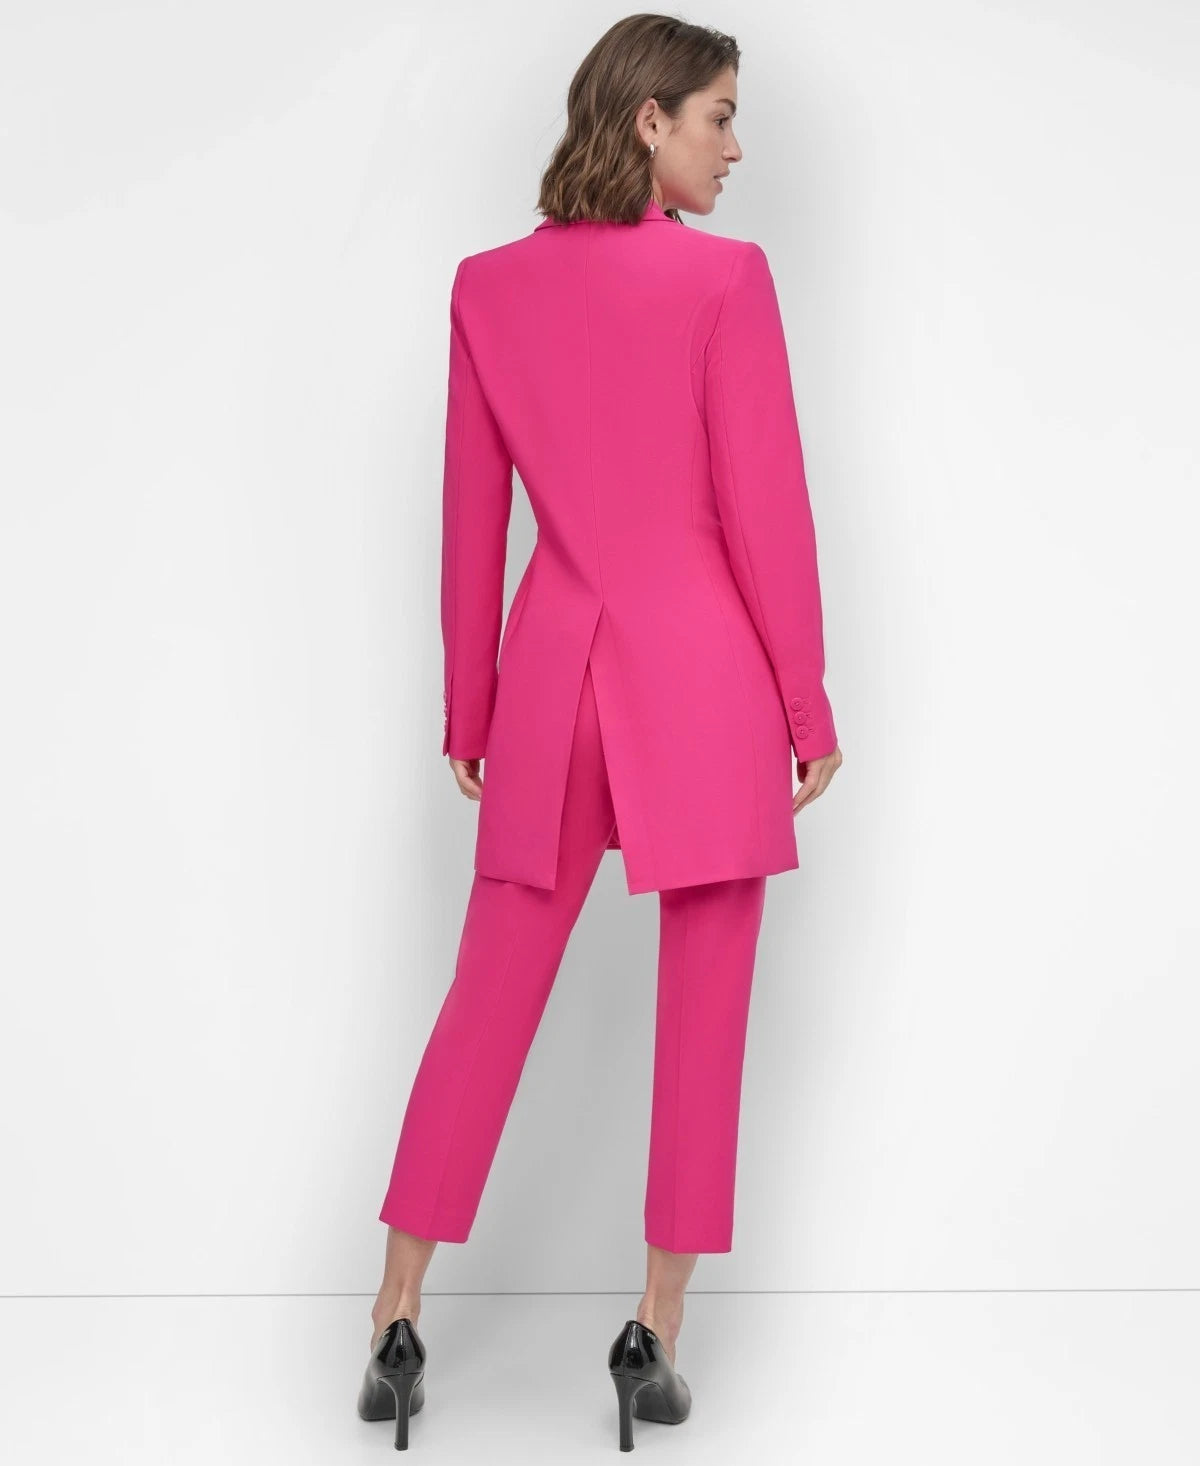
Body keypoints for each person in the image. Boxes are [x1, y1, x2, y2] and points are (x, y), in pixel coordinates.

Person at [357, 13, 844, 1452]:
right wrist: (807, 705)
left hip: (550, 675)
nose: (735, 148)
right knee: (706, 1009)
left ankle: (394, 1316)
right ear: (648, 121)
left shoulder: (487, 288)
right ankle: (653, 1336)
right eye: (718, 117)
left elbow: (472, 520)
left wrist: (471, 706)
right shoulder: (724, 281)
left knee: (486, 995)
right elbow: (765, 511)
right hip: (704, 680)